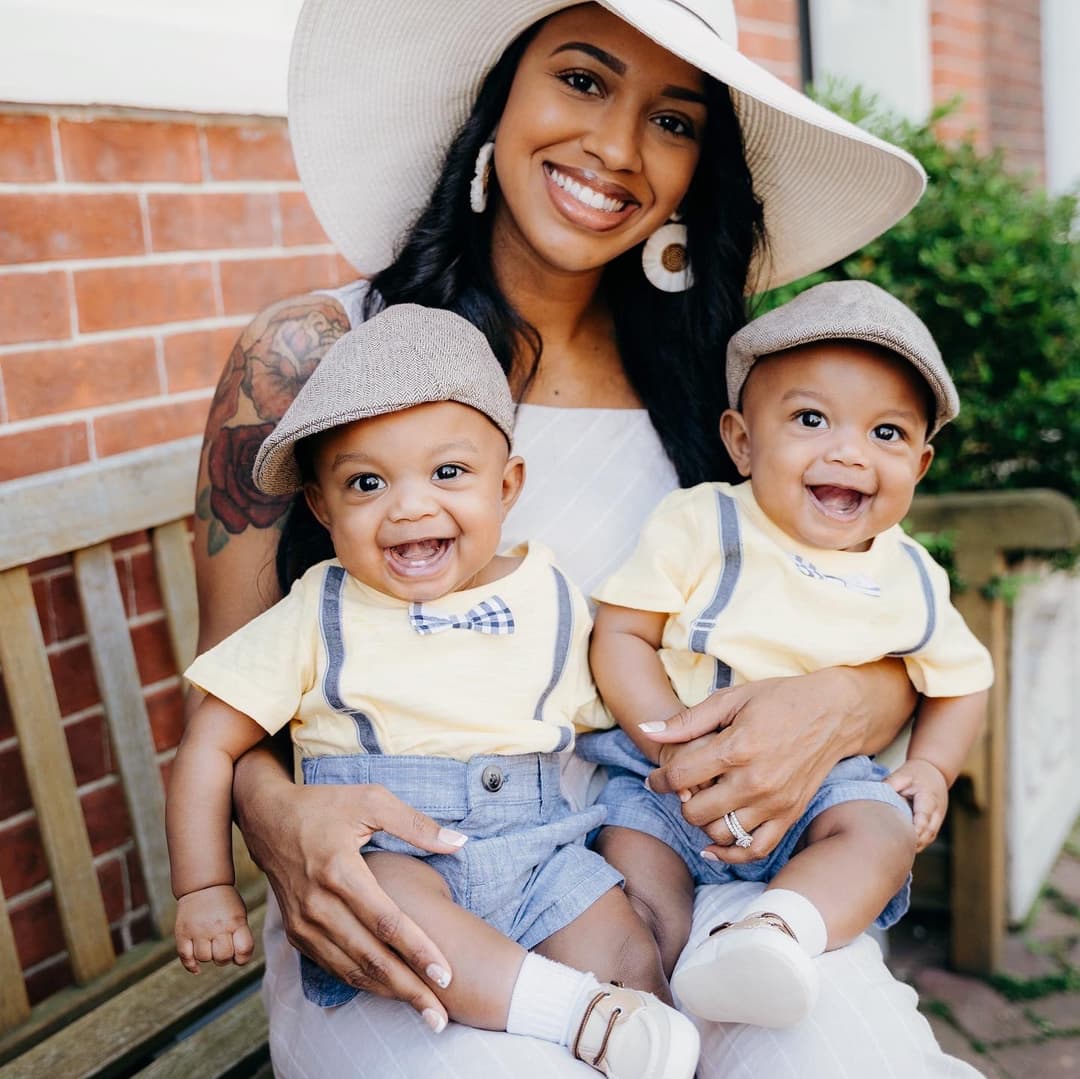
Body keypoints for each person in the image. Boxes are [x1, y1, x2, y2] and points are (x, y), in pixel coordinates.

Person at [193, 1, 985, 1074]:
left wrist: (854, 698)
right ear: (498, 99)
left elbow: (856, 607)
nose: (617, 149)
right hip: (417, 887)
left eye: (674, 119)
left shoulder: (718, 387)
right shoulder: (317, 356)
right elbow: (226, 709)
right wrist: (276, 816)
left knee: (844, 1053)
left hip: (690, 865)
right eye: (581, 80)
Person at [172, 305, 699, 1078]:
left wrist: (685, 754)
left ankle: (630, 1021)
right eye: (367, 482)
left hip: (539, 848)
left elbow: (613, 710)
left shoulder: (547, 594)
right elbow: (210, 741)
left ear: (508, 484)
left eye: (448, 472)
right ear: (321, 507)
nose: (411, 504)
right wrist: (205, 884)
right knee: (401, 923)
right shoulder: (318, 612)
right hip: (392, 849)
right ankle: (568, 1011)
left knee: (623, 941)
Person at [583, 279, 994, 1030]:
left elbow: (963, 681)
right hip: (667, 787)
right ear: (742, 440)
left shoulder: (911, 577)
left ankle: (776, 935)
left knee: (881, 835)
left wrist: (933, 766)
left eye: (888, 433)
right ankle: (655, 1000)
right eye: (811, 419)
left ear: (922, 465)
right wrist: (671, 738)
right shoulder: (703, 522)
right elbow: (623, 633)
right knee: (634, 878)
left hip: (825, 793)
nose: (849, 451)